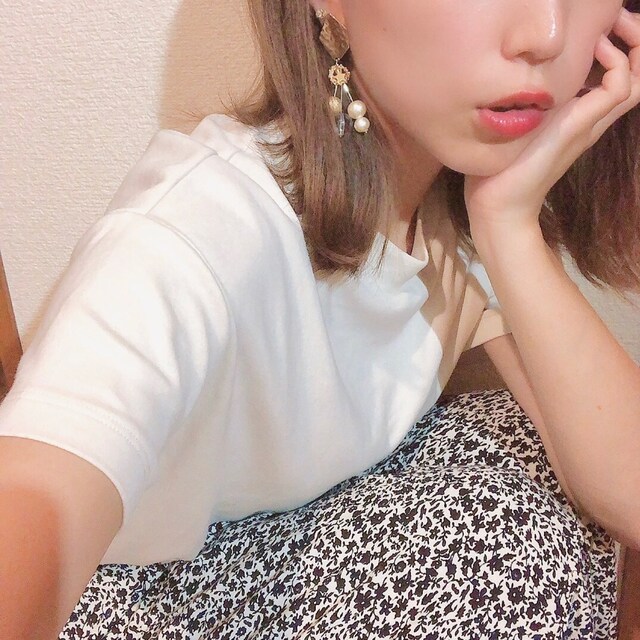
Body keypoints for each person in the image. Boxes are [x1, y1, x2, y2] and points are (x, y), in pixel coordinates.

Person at [2, 0, 640, 637]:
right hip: (149, 595)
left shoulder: (452, 196)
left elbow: (627, 494)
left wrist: (509, 226)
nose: (546, 34)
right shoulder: (196, 237)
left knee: (521, 483)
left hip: (287, 544)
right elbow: (41, 487)